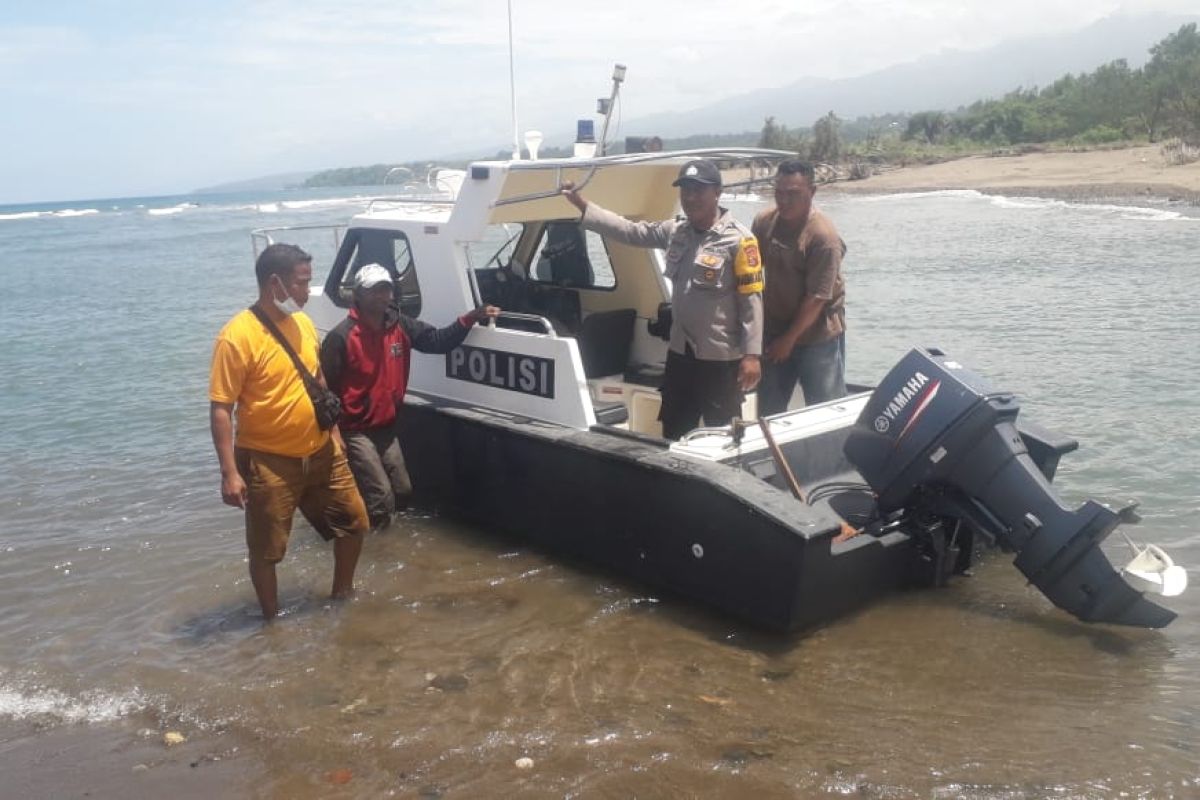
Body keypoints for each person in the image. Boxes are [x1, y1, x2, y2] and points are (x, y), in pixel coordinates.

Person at [209, 243, 369, 620]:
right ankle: (271, 620)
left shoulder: (302, 323)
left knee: (355, 522)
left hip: (320, 450)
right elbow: (221, 408)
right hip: (269, 461)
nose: (307, 291)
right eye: (302, 283)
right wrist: (230, 473)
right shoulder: (237, 336)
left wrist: (334, 434)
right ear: (275, 282)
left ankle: (341, 596)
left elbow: (316, 378)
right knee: (267, 551)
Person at [562, 159, 764, 439]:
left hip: (719, 357)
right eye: (685, 191)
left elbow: (751, 301)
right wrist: (583, 205)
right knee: (674, 426)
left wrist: (751, 355)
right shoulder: (675, 231)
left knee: (724, 431)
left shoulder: (740, 241)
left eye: (698, 190)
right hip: (681, 353)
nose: (691, 198)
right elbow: (631, 232)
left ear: (717, 191)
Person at [319, 264, 500, 528]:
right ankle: (379, 548)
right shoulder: (340, 337)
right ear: (358, 295)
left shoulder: (400, 324)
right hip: (354, 429)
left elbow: (437, 341)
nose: (382, 296)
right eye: (374, 291)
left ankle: (368, 529)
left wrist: (471, 317)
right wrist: (333, 432)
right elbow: (325, 390)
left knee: (403, 491)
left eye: (386, 289)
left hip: (386, 427)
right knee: (381, 497)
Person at [752, 159, 847, 415]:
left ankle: (830, 455)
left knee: (826, 411)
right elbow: (749, 274)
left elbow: (817, 298)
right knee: (769, 410)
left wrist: (789, 340)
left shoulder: (823, 237)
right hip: (774, 330)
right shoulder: (764, 222)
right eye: (779, 192)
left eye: (793, 194)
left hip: (817, 335)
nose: (784, 201)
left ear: (812, 192)